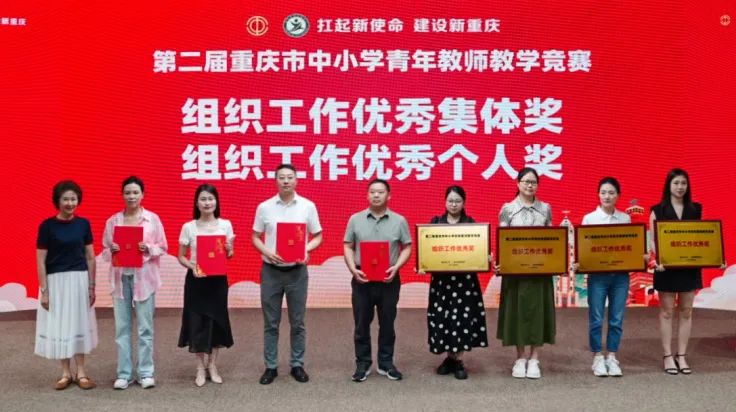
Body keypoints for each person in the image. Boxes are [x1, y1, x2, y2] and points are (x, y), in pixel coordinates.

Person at [251, 164, 323, 385]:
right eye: (281, 177)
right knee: (271, 323)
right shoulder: (264, 207)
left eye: (290, 177)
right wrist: (267, 252)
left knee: (297, 322)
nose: (285, 181)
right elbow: (255, 237)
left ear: (296, 180)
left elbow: (318, 235)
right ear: (275, 180)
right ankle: (270, 367)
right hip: (271, 272)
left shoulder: (307, 206)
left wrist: (305, 250)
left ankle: (297, 364)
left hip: (297, 272)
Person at [649, 168, 723, 375]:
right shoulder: (657, 210)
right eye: (676, 183)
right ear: (668, 186)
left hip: (689, 267)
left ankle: (681, 355)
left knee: (686, 311)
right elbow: (653, 240)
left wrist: (715, 258)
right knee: (666, 312)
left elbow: (702, 238)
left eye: (683, 183)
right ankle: (667, 356)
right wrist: (660, 257)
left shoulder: (695, 209)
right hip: (666, 268)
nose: (680, 187)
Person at [102, 176, 167, 389]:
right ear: (122, 195)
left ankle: (146, 372)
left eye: (135, 192)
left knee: (145, 328)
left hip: (144, 279)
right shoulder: (113, 221)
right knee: (122, 328)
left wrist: (147, 248)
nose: (131, 196)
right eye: (128, 193)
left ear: (142, 195)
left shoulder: (152, 219)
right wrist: (112, 250)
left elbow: (163, 247)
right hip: (121, 279)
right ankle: (124, 374)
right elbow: (104, 251)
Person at [344, 179, 412, 382]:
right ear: (367, 195)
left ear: (389, 196)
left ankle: (386, 363)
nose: (376, 195)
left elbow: (407, 246)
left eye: (380, 192)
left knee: (388, 323)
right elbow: (348, 245)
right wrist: (352, 269)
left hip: (389, 279)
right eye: (372, 192)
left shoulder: (399, 221)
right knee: (361, 323)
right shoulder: (355, 219)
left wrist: (397, 267)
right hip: (362, 279)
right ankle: (363, 363)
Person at [35, 180, 98, 390]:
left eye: (73, 199)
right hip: (56, 283)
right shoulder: (47, 226)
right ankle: (65, 373)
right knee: (61, 325)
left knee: (79, 323)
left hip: (79, 280)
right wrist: (44, 291)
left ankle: (81, 372)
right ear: (57, 201)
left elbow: (90, 257)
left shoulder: (84, 224)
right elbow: (40, 260)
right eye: (66, 199)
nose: (70, 203)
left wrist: (91, 286)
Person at [424, 185, 488, 380]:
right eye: (450, 201)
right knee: (443, 317)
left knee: (463, 318)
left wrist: (485, 257)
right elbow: (426, 250)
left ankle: (458, 359)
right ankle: (449, 357)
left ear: (464, 203)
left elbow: (479, 251)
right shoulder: (435, 223)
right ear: (445, 202)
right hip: (442, 282)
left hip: (465, 282)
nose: (454, 204)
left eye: (457, 201)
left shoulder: (471, 225)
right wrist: (423, 263)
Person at [496, 167, 554, 379]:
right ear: (517, 183)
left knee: (538, 314)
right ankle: (520, 358)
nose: (530, 185)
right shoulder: (508, 209)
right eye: (526, 181)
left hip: (539, 271)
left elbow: (552, 240)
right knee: (517, 313)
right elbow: (503, 240)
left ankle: (535, 358)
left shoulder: (545, 209)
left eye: (533, 182)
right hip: (515, 273)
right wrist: (502, 263)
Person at [177, 184, 235, 387]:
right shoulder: (189, 227)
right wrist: (192, 265)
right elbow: (181, 256)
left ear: (216, 202)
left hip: (218, 281)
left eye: (210, 199)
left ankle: (213, 365)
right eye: (203, 199)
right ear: (196, 203)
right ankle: (200, 368)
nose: (207, 203)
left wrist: (229, 249)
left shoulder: (225, 225)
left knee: (216, 322)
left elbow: (229, 255)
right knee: (197, 322)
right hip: (197, 280)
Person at [578, 177, 631, 377]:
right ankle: (598, 356)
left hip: (620, 277)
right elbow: (584, 249)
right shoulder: (589, 219)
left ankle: (612, 356)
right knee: (596, 318)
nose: (607, 196)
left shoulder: (625, 219)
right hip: (597, 277)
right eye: (603, 192)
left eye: (611, 192)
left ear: (618, 195)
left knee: (616, 319)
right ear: (598, 195)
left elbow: (630, 247)